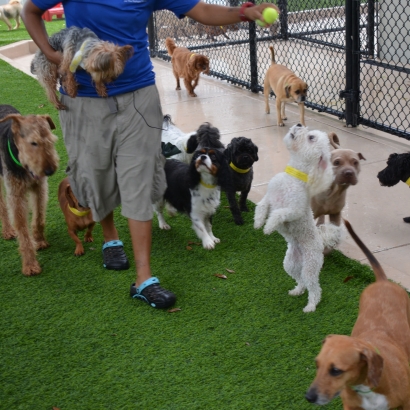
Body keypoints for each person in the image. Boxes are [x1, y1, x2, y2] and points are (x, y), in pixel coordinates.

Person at [22, 0, 278, 310]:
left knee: (140, 177)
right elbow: (30, 10)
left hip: (137, 94)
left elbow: (202, 11)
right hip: (84, 98)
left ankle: (144, 279)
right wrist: (52, 56)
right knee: (94, 173)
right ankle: (110, 238)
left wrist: (242, 12)